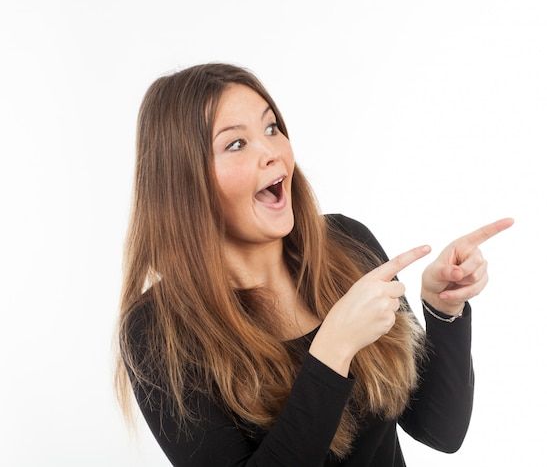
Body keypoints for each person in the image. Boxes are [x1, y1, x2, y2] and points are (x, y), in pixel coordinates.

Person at [114, 62, 513, 466]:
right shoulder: (158, 328)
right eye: (236, 144)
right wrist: (332, 351)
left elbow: (439, 430)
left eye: (272, 128)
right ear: (183, 179)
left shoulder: (347, 244)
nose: (272, 152)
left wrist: (443, 309)